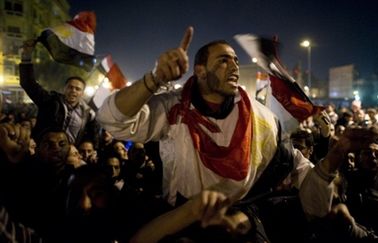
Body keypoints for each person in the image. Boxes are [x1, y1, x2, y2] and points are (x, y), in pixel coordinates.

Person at [97, 27, 347, 238]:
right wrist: (154, 79)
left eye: (236, 60)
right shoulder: (174, 107)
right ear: (200, 71)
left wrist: (332, 162)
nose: (234, 66)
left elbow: (309, 193)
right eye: (223, 60)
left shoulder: (264, 119)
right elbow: (112, 121)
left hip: (240, 229)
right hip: (182, 227)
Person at [19, 39, 98, 145]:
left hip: (71, 157)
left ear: (82, 93)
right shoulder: (50, 101)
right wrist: (26, 57)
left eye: (78, 89)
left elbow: (90, 136)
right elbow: (28, 83)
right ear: (63, 89)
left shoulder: (87, 113)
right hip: (46, 153)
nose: (73, 90)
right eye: (70, 87)